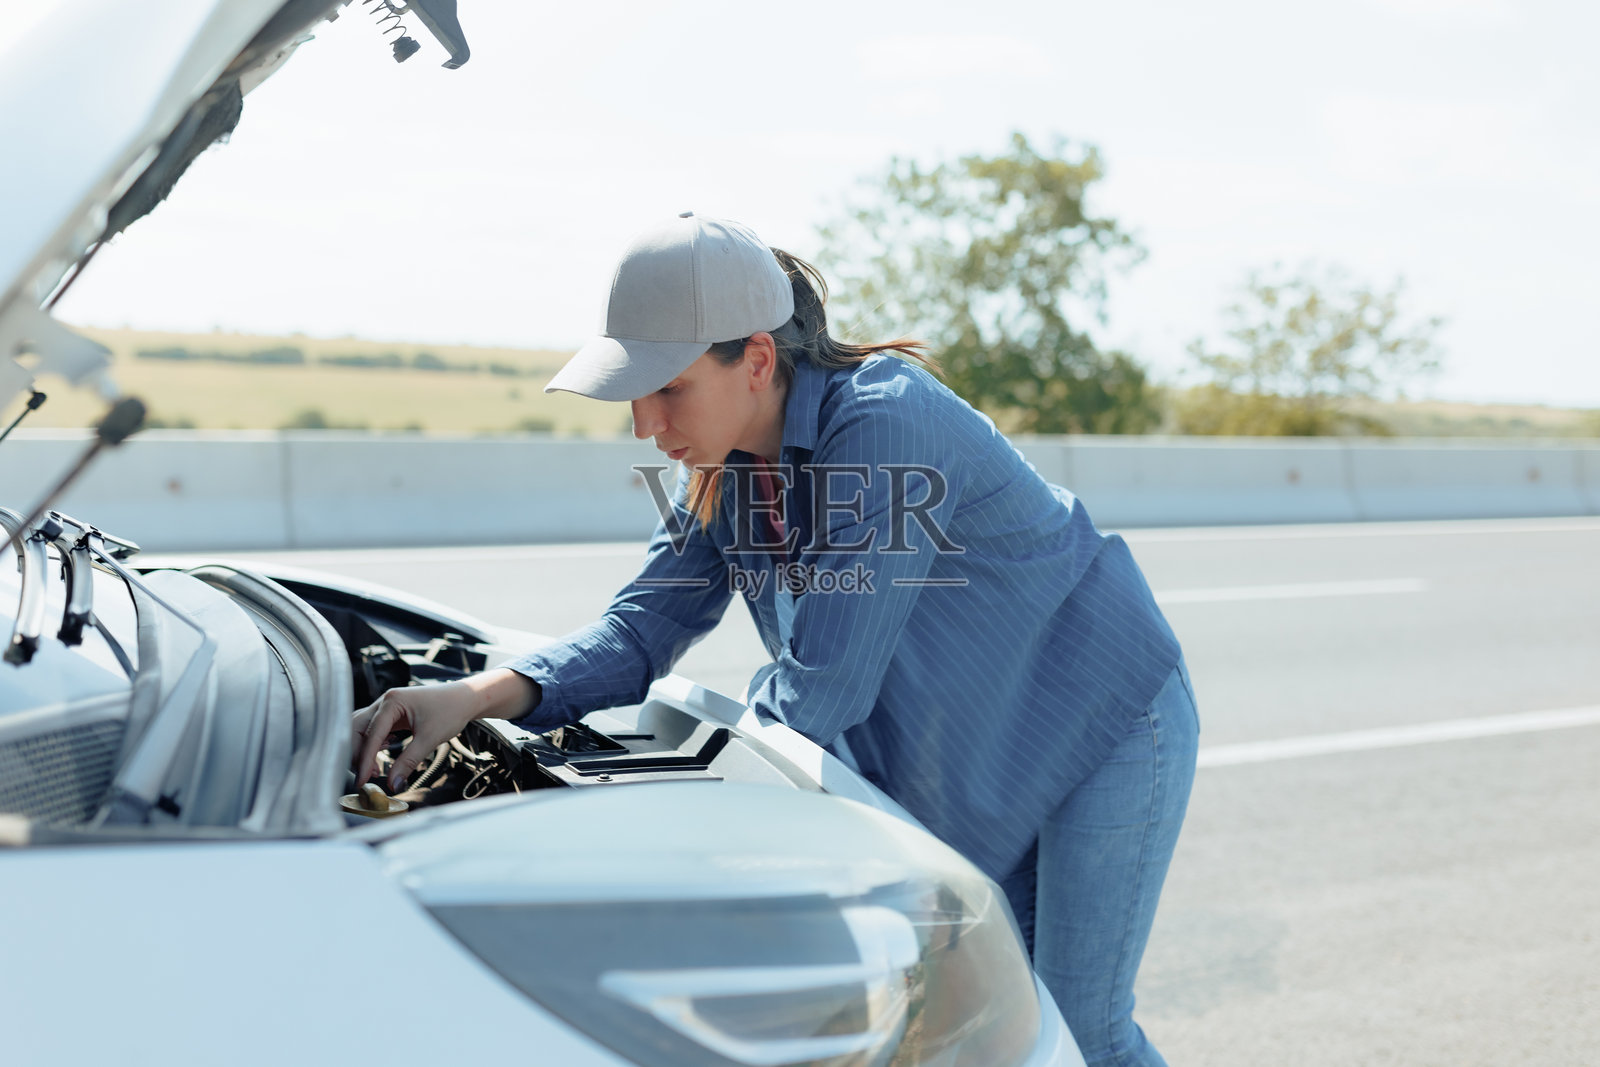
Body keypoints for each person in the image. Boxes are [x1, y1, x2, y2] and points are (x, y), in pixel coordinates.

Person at [351, 211, 1199, 1067]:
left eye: (668, 387)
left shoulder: (885, 423)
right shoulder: (718, 466)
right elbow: (639, 630)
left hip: (1103, 717)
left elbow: (822, 690)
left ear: (756, 359)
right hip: (986, 750)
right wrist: (471, 698)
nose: (644, 424)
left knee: (1084, 1032)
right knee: (991, 1042)